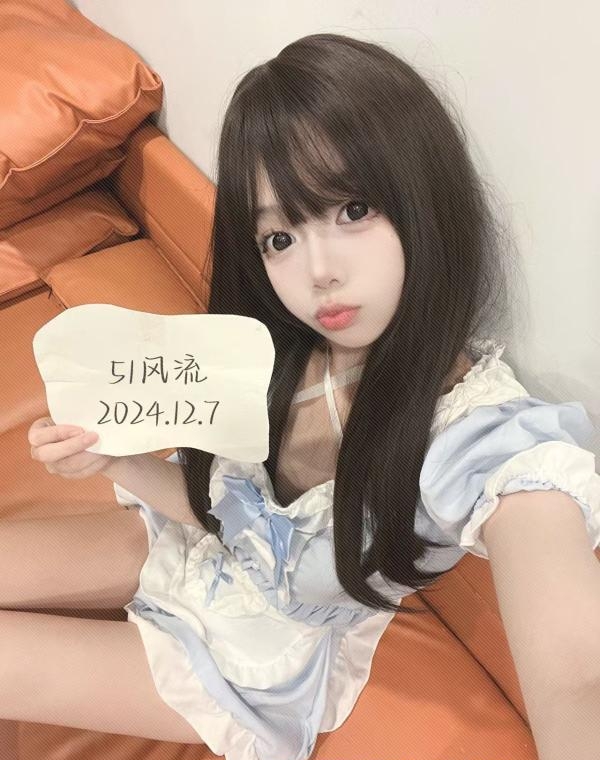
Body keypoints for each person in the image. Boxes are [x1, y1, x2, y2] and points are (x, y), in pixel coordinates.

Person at [11, 32, 600, 760]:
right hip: (184, 546)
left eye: (353, 209)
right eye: (279, 238)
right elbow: (217, 512)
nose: (318, 272)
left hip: (247, 654)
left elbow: (578, 678)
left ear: (424, 197)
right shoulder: (274, 349)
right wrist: (112, 461)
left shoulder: (476, 439)